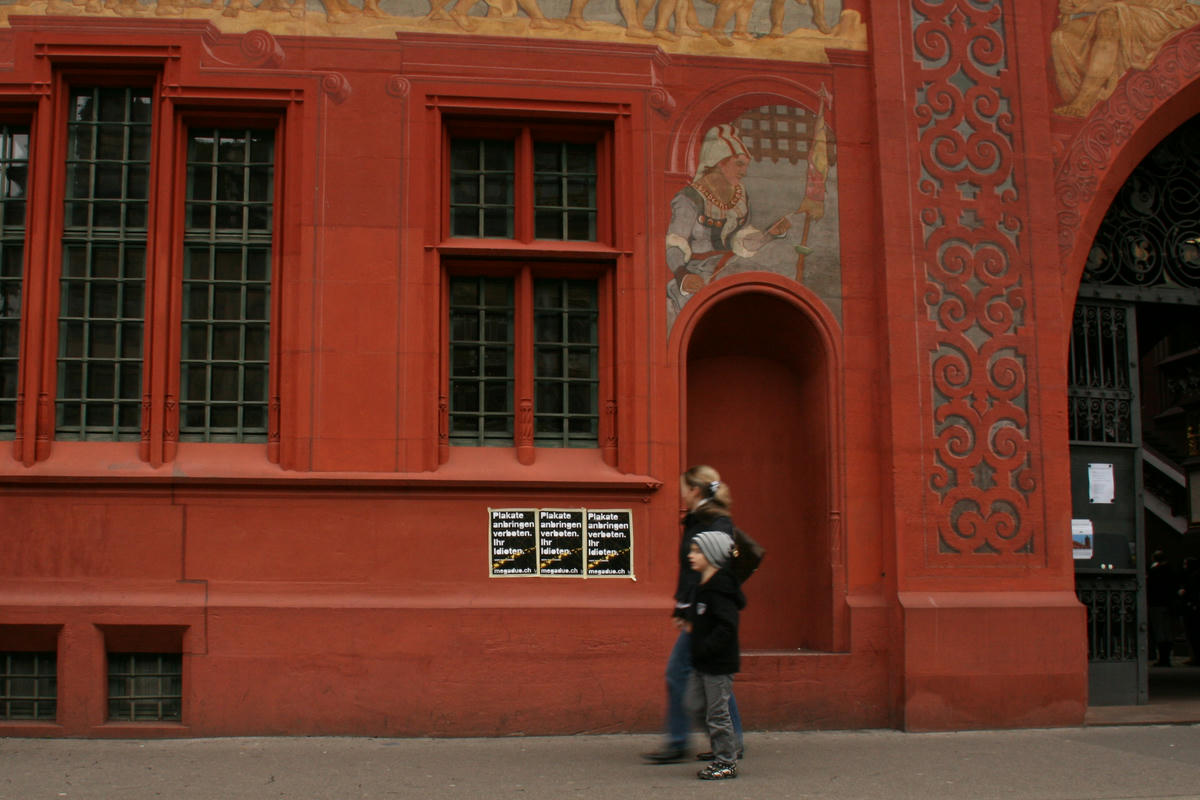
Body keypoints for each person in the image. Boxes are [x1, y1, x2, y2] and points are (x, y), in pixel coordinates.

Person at [642, 465, 744, 764]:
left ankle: (679, 741)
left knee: (680, 672)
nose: (681, 494)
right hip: (700, 608)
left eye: (684, 488)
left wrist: (688, 610)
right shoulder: (701, 519)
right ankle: (731, 740)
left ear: (695, 491)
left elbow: (708, 569)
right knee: (710, 673)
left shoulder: (711, 521)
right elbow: (691, 569)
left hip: (707, 611)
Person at [665, 125, 790, 321]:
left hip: (730, 267)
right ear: (718, 163)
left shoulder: (740, 195)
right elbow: (674, 243)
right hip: (698, 272)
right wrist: (683, 275)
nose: (744, 171)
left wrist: (770, 234)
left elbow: (740, 241)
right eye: (739, 164)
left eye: (745, 165)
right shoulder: (689, 198)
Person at [684, 530, 745, 780]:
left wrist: (707, 647)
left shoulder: (720, 588)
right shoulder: (704, 586)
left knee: (717, 713)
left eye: (697, 551)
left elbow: (727, 626)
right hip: (703, 660)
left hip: (718, 663)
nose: (691, 555)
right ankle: (723, 747)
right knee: (695, 704)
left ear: (712, 555)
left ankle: (726, 761)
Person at [1147, 550, 1178, 666]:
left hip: (1157, 603)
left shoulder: (1155, 571)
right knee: (1167, 631)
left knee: (1159, 631)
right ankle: (1167, 657)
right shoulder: (1171, 571)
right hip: (1168, 603)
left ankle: (1163, 658)